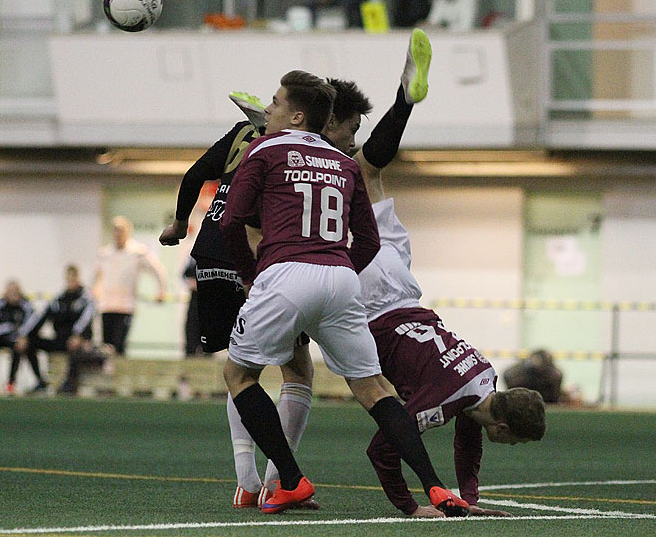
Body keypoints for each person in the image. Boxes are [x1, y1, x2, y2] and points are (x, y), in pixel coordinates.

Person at [218, 69, 469, 516]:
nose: (268, 109)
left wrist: (250, 275)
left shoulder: (266, 147)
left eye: (275, 103)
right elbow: (369, 242)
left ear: (296, 114)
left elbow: (232, 221)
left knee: (240, 376)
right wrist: (339, 269)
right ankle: (435, 488)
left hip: (285, 276)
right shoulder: (345, 162)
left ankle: (290, 480)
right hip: (341, 279)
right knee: (374, 387)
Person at [337, 29, 547, 517]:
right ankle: (277, 143)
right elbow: (382, 450)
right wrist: (412, 506)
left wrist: (468, 501)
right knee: (319, 207)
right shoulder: (446, 400)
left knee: (368, 172)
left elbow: (467, 446)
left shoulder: (484, 378)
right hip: (373, 297)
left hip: (403, 282)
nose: (506, 447)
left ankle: (404, 103)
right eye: (512, 443)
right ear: (503, 429)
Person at [159, 95, 317, 510]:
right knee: (297, 371)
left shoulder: (242, 132)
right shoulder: (308, 146)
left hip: (209, 251)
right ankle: (276, 482)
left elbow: (195, 174)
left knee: (241, 368)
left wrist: (178, 223)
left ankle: (246, 481)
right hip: (258, 254)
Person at [15, 264, 108, 395]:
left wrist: (77, 335)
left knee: (75, 347)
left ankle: (70, 383)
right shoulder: (58, 299)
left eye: (73, 278)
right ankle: (41, 381)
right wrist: (24, 335)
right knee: (30, 342)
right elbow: (40, 318)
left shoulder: (86, 299)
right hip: (60, 340)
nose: (71, 282)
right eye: (68, 278)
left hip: (78, 342)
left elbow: (85, 320)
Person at [93, 216, 168, 355]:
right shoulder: (105, 253)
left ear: (128, 231)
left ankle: (118, 373)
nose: (118, 234)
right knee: (106, 346)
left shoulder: (138, 252)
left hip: (125, 306)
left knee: (119, 345)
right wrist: (96, 290)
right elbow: (97, 276)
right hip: (107, 305)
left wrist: (161, 291)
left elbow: (158, 270)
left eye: (121, 230)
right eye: (115, 230)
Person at [182, 257, 203, 357]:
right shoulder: (194, 258)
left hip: (210, 299)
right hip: (195, 299)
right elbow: (186, 274)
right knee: (191, 330)